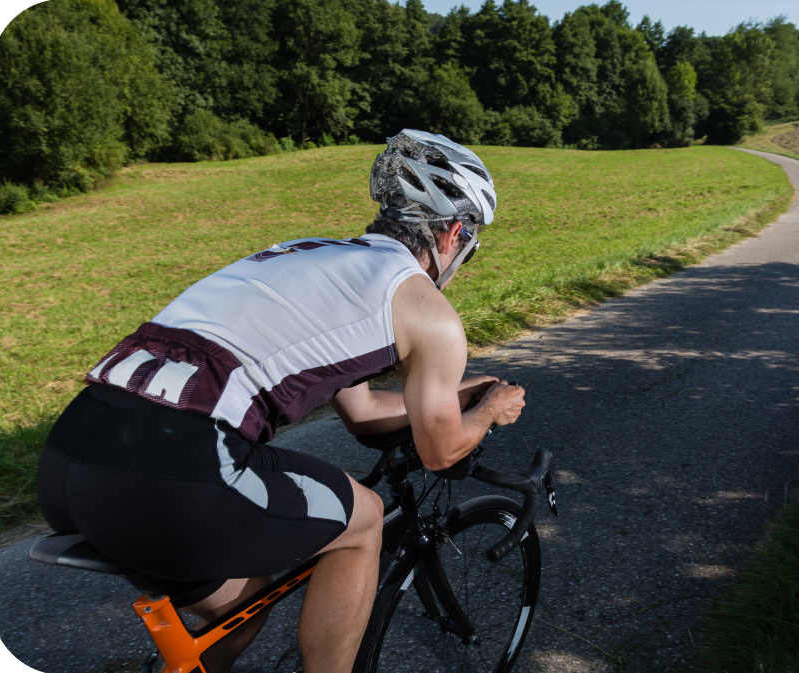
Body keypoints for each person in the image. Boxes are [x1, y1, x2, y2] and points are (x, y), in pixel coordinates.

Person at [35, 130, 526, 673]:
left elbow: (362, 415)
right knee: (362, 521)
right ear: (456, 233)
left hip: (71, 461)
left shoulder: (314, 259)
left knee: (242, 606)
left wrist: (455, 392)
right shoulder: (426, 308)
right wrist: (489, 409)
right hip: (177, 472)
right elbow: (441, 452)